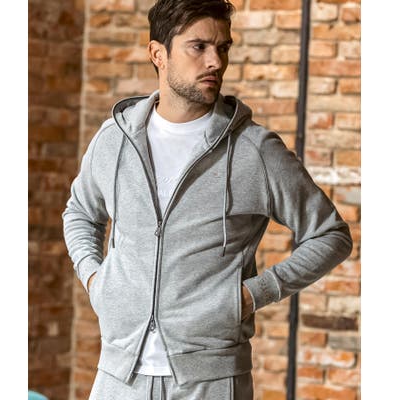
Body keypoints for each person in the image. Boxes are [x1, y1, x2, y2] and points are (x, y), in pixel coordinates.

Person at [62, 0, 353, 398]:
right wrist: (96, 280)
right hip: (117, 377)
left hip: (212, 383)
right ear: (158, 54)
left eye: (223, 48)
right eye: (198, 47)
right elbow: (81, 212)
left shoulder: (254, 150)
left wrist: (252, 295)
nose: (215, 61)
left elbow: (330, 234)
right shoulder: (115, 138)